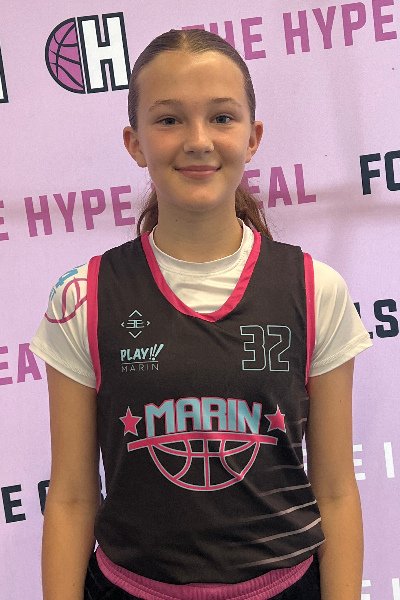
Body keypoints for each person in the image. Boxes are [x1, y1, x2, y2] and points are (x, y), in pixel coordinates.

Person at [30, 28, 372, 600]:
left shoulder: (315, 288)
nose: (197, 140)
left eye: (222, 117)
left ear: (253, 137)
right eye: (168, 120)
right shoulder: (83, 297)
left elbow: (335, 492)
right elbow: (70, 497)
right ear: (135, 143)